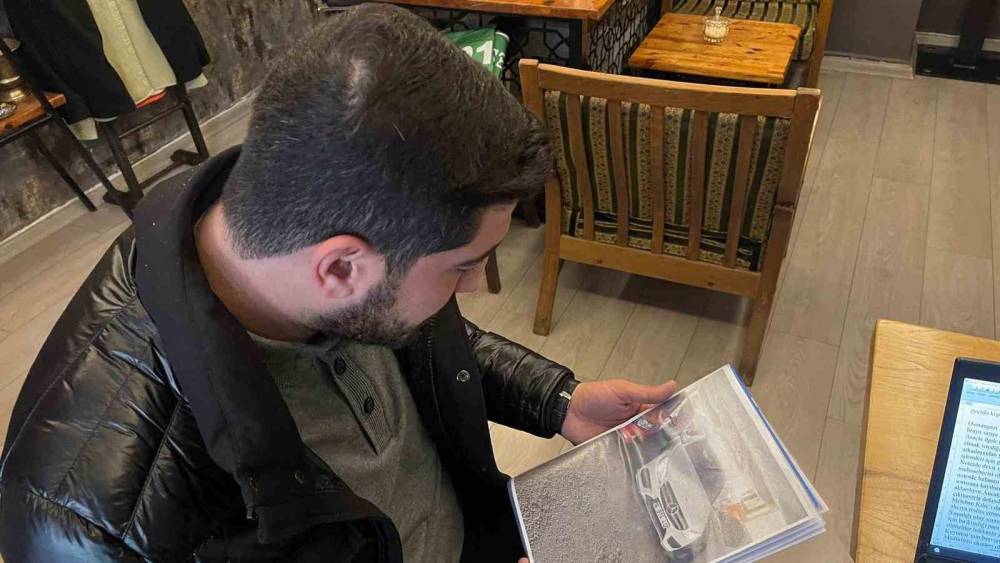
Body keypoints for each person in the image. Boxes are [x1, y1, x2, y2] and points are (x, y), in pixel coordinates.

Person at [0, 4, 676, 561]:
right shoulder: (93, 527)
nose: (472, 287)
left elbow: (428, 339)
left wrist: (559, 400)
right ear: (340, 267)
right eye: (462, 267)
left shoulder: (302, 212)